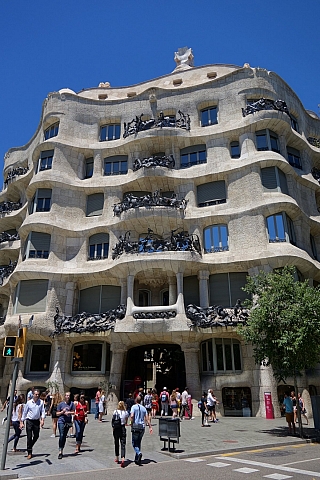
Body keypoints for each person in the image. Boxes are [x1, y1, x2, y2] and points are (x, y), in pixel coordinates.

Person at [20, 389, 45, 459]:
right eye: (35, 394)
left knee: (36, 436)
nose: (37, 396)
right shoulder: (29, 403)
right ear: (33, 394)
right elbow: (25, 412)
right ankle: (29, 452)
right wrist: (22, 421)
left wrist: (42, 420)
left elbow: (42, 411)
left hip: (36, 421)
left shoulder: (41, 402)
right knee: (29, 437)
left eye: (38, 394)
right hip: (29, 421)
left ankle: (30, 446)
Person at [130, 396, 153, 465]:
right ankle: (137, 459)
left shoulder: (133, 407)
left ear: (135, 400)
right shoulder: (144, 408)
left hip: (135, 426)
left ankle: (138, 453)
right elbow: (147, 418)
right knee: (139, 442)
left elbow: (132, 416)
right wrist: (150, 427)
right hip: (142, 427)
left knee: (134, 443)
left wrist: (131, 423)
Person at [57, 392, 75, 459]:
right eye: (66, 395)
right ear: (64, 396)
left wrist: (68, 412)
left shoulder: (72, 404)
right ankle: (60, 451)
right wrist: (62, 412)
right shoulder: (61, 404)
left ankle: (62, 448)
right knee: (61, 435)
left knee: (64, 436)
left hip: (68, 421)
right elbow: (57, 413)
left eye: (69, 396)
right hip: (61, 421)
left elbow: (73, 412)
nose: (67, 397)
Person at [112, 401, 129, 467]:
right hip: (122, 428)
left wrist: (113, 428)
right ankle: (123, 458)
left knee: (116, 443)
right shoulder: (126, 412)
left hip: (116, 429)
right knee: (123, 444)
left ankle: (117, 458)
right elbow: (126, 421)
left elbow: (113, 420)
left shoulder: (115, 411)